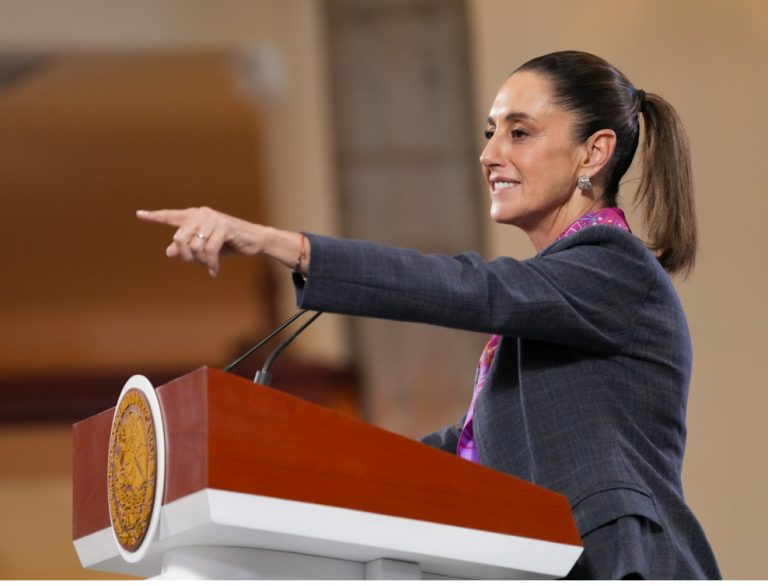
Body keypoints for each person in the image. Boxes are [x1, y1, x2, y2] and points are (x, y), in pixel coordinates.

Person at [137, 50, 721, 579]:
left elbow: (470, 288)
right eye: (491, 133)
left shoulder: (614, 268)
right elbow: (468, 450)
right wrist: (298, 468)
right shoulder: (558, 299)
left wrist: (283, 244)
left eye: (519, 133)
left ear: (593, 152)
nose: (489, 155)